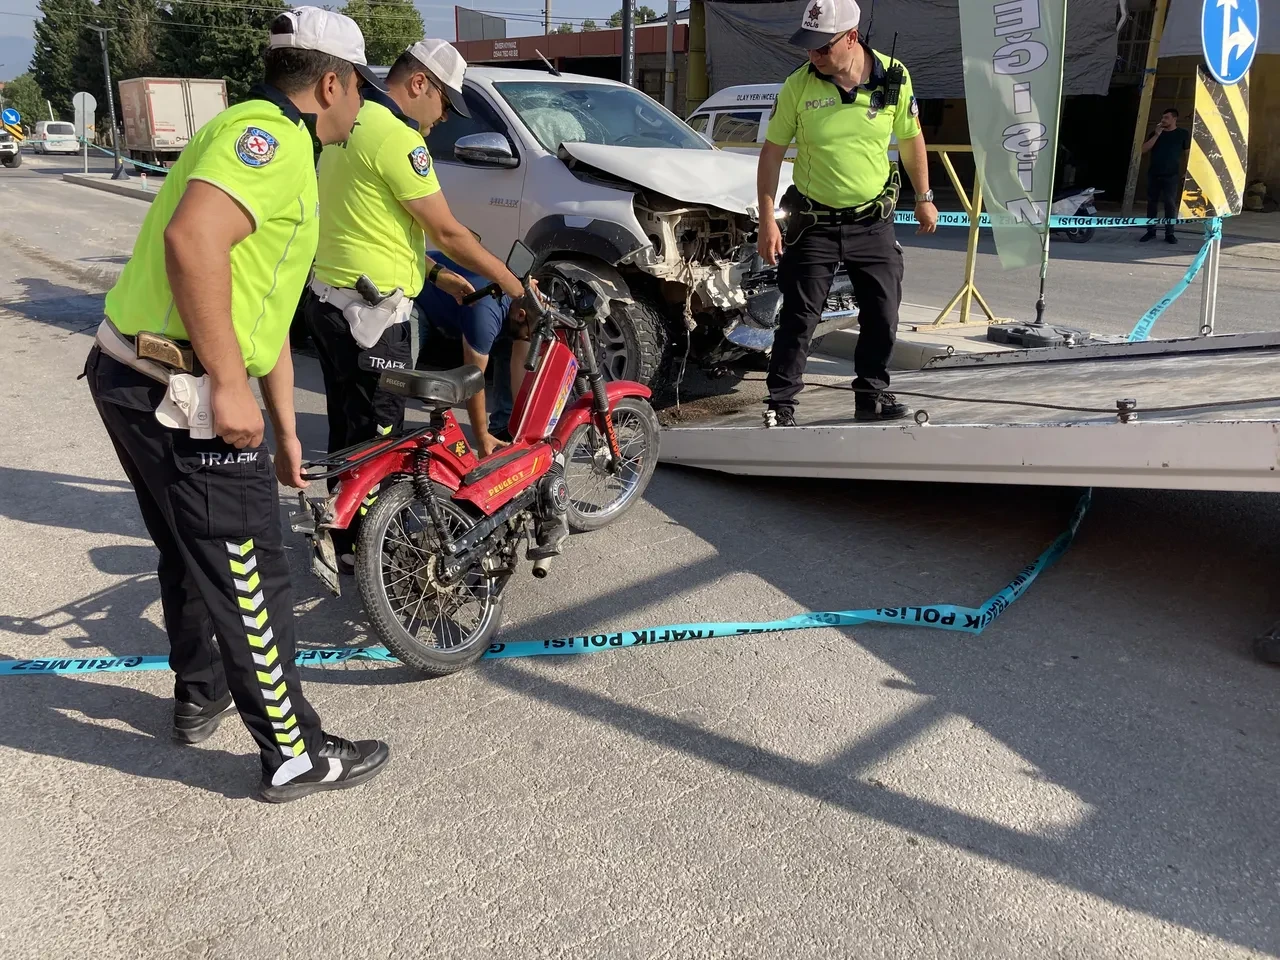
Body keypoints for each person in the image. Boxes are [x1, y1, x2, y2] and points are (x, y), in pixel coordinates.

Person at [82, 7, 391, 803]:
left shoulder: (254, 133)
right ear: (332, 84)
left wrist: (287, 427)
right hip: (181, 389)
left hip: (133, 373)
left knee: (192, 551)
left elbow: (263, 304)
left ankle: (201, 692)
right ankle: (294, 753)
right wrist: (226, 386)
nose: (364, 108)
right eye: (362, 91)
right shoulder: (274, 142)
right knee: (253, 570)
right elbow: (194, 243)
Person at [305, 37, 527, 567]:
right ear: (419, 83)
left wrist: (435, 275)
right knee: (381, 436)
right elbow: (449, 231)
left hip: (331, 302)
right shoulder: (397, 138)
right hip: (372, 318)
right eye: (445, 104)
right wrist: (514, 283)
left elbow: (369, 224)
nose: (444, 118)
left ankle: (345, 534)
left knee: (349, 424)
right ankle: (366, 550)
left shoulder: (346, 126)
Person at [755, 0, 937, 427]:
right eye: (808, 47)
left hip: (872, 222)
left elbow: (911, 139)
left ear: (851, 37)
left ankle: (871, 397)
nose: (812, 55)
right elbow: (771, 154)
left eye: (821, 47)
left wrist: (924, 195)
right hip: (814, 223)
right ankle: (781, 404)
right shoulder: (798, 86)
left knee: (883, 312)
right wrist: (766, 218)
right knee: (799, 318)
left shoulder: (894, 78)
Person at [415, 250, 532, 443]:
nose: (530, 339)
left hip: (462, 309)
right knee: (396, 372)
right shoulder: (485, 314)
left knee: (510, 344)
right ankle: (385, 435)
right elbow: (473, 380)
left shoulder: (522, 300)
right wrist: (481, 437)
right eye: (530, 335)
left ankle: (504, 427)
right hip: (421, 300)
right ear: (520, 315)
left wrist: (526, 432)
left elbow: (519, 369)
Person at [1140, 107, 1191, 244]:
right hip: (1154, 173)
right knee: (1152, 203)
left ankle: (1170, 233)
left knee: (1170, 204)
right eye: (1162, 117)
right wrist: (1156, 135)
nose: (1163, 120)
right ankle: (1150, 231)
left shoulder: (1182, 134)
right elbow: (1143, 150)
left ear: (1174, 119)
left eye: (1166, 118)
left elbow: (1187, 154)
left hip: (1171, 175)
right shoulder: (1156, 133)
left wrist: (1187, 172)